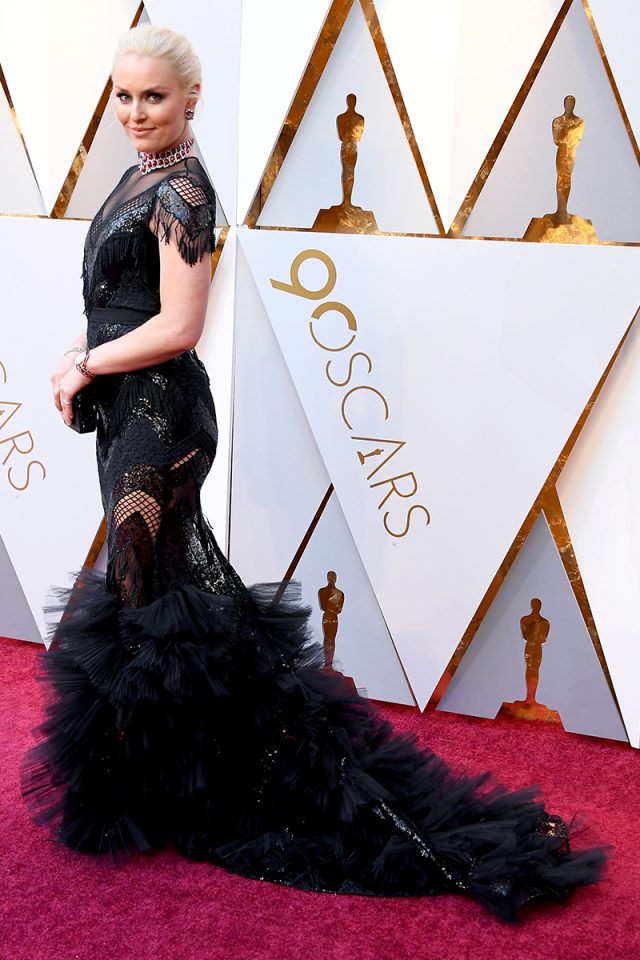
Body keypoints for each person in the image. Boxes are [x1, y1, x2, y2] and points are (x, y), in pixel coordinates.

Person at [20, 23, 606, 922]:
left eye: (154, 97)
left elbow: (179, 325)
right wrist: (75, 357)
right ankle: (176, 776)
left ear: (192, 98)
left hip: (160, 420)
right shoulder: (139, 176)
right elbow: (116, 304)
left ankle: (212, 783)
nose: (135, 112)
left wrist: (85, 368)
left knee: (146, 601)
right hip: (125, 415)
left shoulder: (183, 191)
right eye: (123, 96)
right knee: (163, 599)